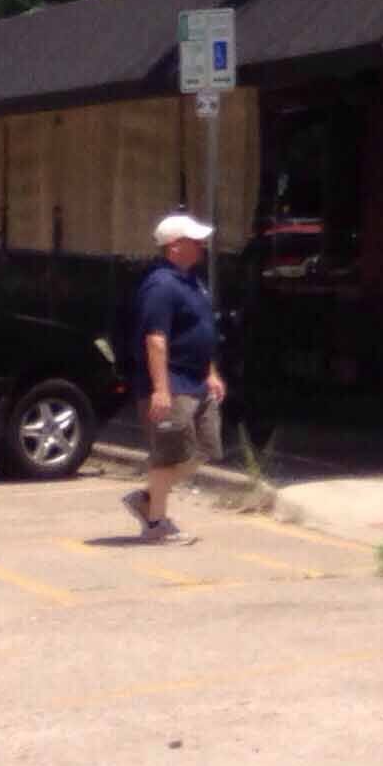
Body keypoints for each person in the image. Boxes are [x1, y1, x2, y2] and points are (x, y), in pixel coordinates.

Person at [124, 212, 223, 544]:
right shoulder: (160, 285)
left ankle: (148, 499)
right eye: (194, 240)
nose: (201, 245)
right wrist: (161, 389)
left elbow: (200, 330)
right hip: (172, 382)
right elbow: (155, 339)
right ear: (174, 246)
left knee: (207, 448)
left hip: (197, 380)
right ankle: (155, 524)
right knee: (169, 453)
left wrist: (211, 373)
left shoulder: (193, 282)